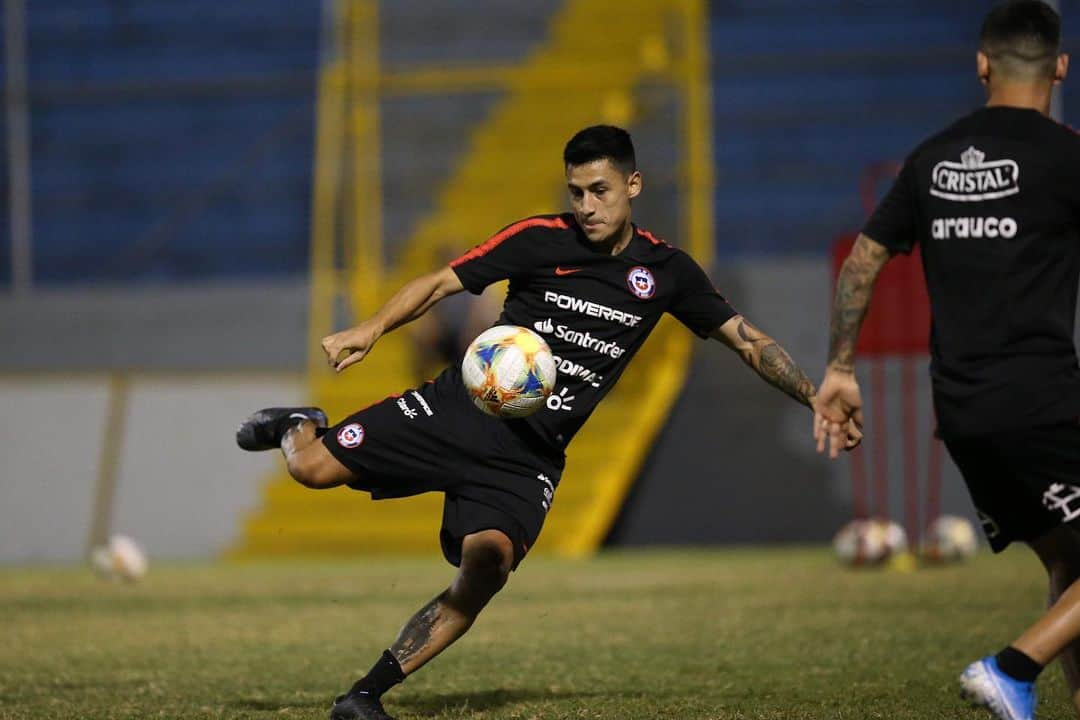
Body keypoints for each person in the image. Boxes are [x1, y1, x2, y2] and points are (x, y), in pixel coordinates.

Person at [238, 125, 858, 720]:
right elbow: (439, 284)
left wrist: (815, 397)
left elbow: (747, 341)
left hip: (528, 457)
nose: (587, 206)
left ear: (633, 186)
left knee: (486, 567)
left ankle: (365, 696)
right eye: (576, 193)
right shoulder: (538, 238)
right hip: (459, 410)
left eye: (600, 191)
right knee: (310, 469)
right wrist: (370, 329)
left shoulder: (667, 273)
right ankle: (299, 423)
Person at [813, 3, 1079, 719]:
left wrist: (840, 368)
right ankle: (1012, 669)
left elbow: (864, 261)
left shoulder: (931, 158)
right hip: (1043, 400)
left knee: (1068, 559)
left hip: (960, 408)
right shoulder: (1067, 157)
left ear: (982, 65)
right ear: (1060, 66)